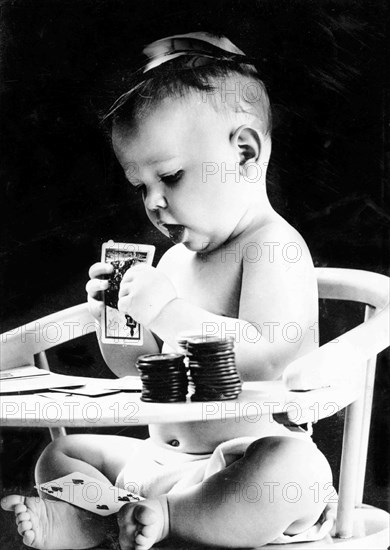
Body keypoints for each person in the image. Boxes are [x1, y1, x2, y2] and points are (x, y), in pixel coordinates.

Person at [1, 33, 335, 550]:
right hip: (160, 463)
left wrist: (170, 310)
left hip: (239, 465)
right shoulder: (177, 260)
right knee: (62, 456)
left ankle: (167, 522)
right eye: (142, 187)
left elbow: (268, 359)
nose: (154, 203)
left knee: (294, 470)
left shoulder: (274, 248)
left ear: (244, 152)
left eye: (170, 176)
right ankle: (106, 521)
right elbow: (138, 370)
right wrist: (120, 320)